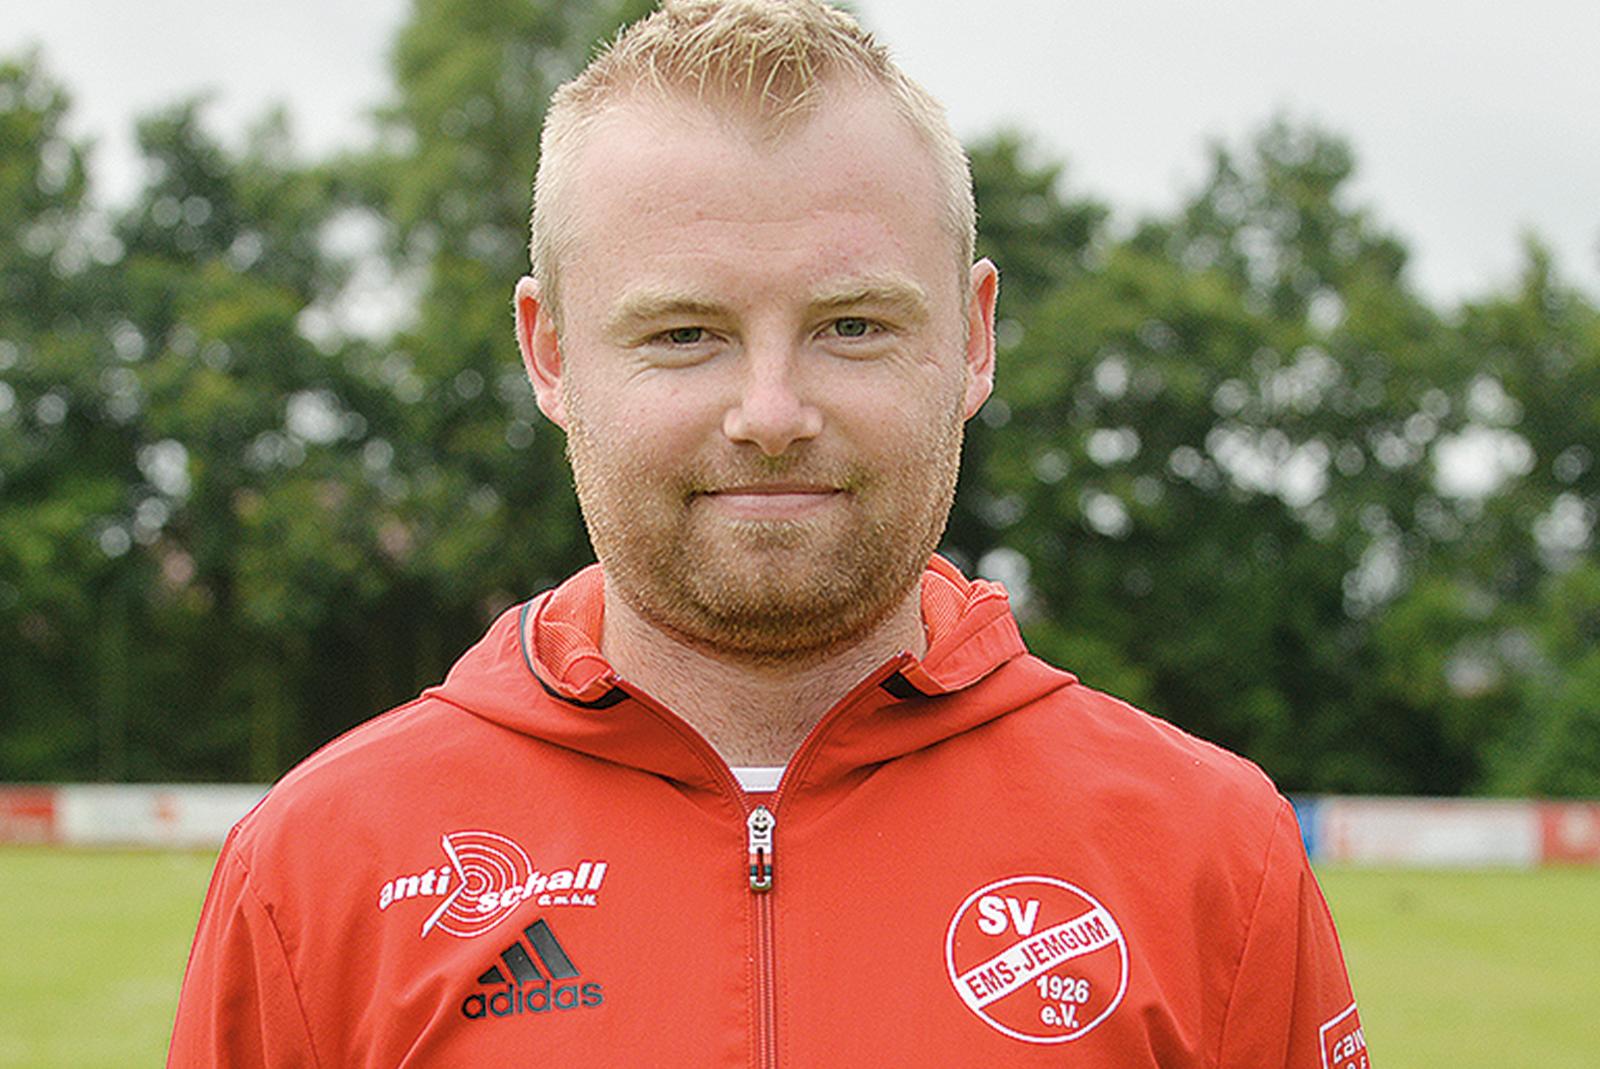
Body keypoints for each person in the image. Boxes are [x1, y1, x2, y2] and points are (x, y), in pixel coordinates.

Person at [169, 1, 1369, 1065]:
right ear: (551, 352)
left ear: (972, 338)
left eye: (852, 325)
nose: (771, 413)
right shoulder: (316, 873)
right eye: (683, 334)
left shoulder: (1215, 860)